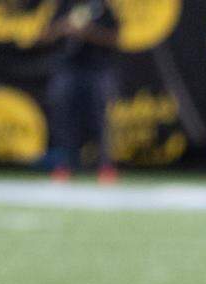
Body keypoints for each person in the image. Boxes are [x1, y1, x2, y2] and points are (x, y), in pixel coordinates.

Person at [40, 0, 120, 183]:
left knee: (100, 119)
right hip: (68, 69)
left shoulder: (102, 8)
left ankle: (105, 167)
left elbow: (115, 38)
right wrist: (62, 27)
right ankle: (65, 166)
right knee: (64, 119)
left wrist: (88, 32)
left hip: (97, 69)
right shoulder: (64, 6)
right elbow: (43, 35)